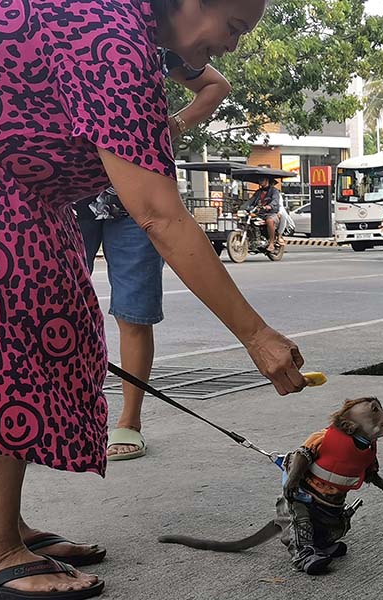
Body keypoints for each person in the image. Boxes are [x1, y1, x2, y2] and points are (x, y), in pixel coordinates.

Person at [0, 0, 307, 598]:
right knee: (5, 337)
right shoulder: (112, 39)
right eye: (234, 27)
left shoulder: (128, 29)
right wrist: (256, 335)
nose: (233, 46)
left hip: (11, 181)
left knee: (53, 322)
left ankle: (5, 525)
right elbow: (159, 213)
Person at [78, 49, 231, 462]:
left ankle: (129, 419)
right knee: (57, 306)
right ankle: (66, 418)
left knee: (134, 312)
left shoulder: (158, 41)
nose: (229, 43)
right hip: (71, 190)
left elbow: (217, 85)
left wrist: (175, 123)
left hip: (138, 188)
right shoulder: (68, 22)